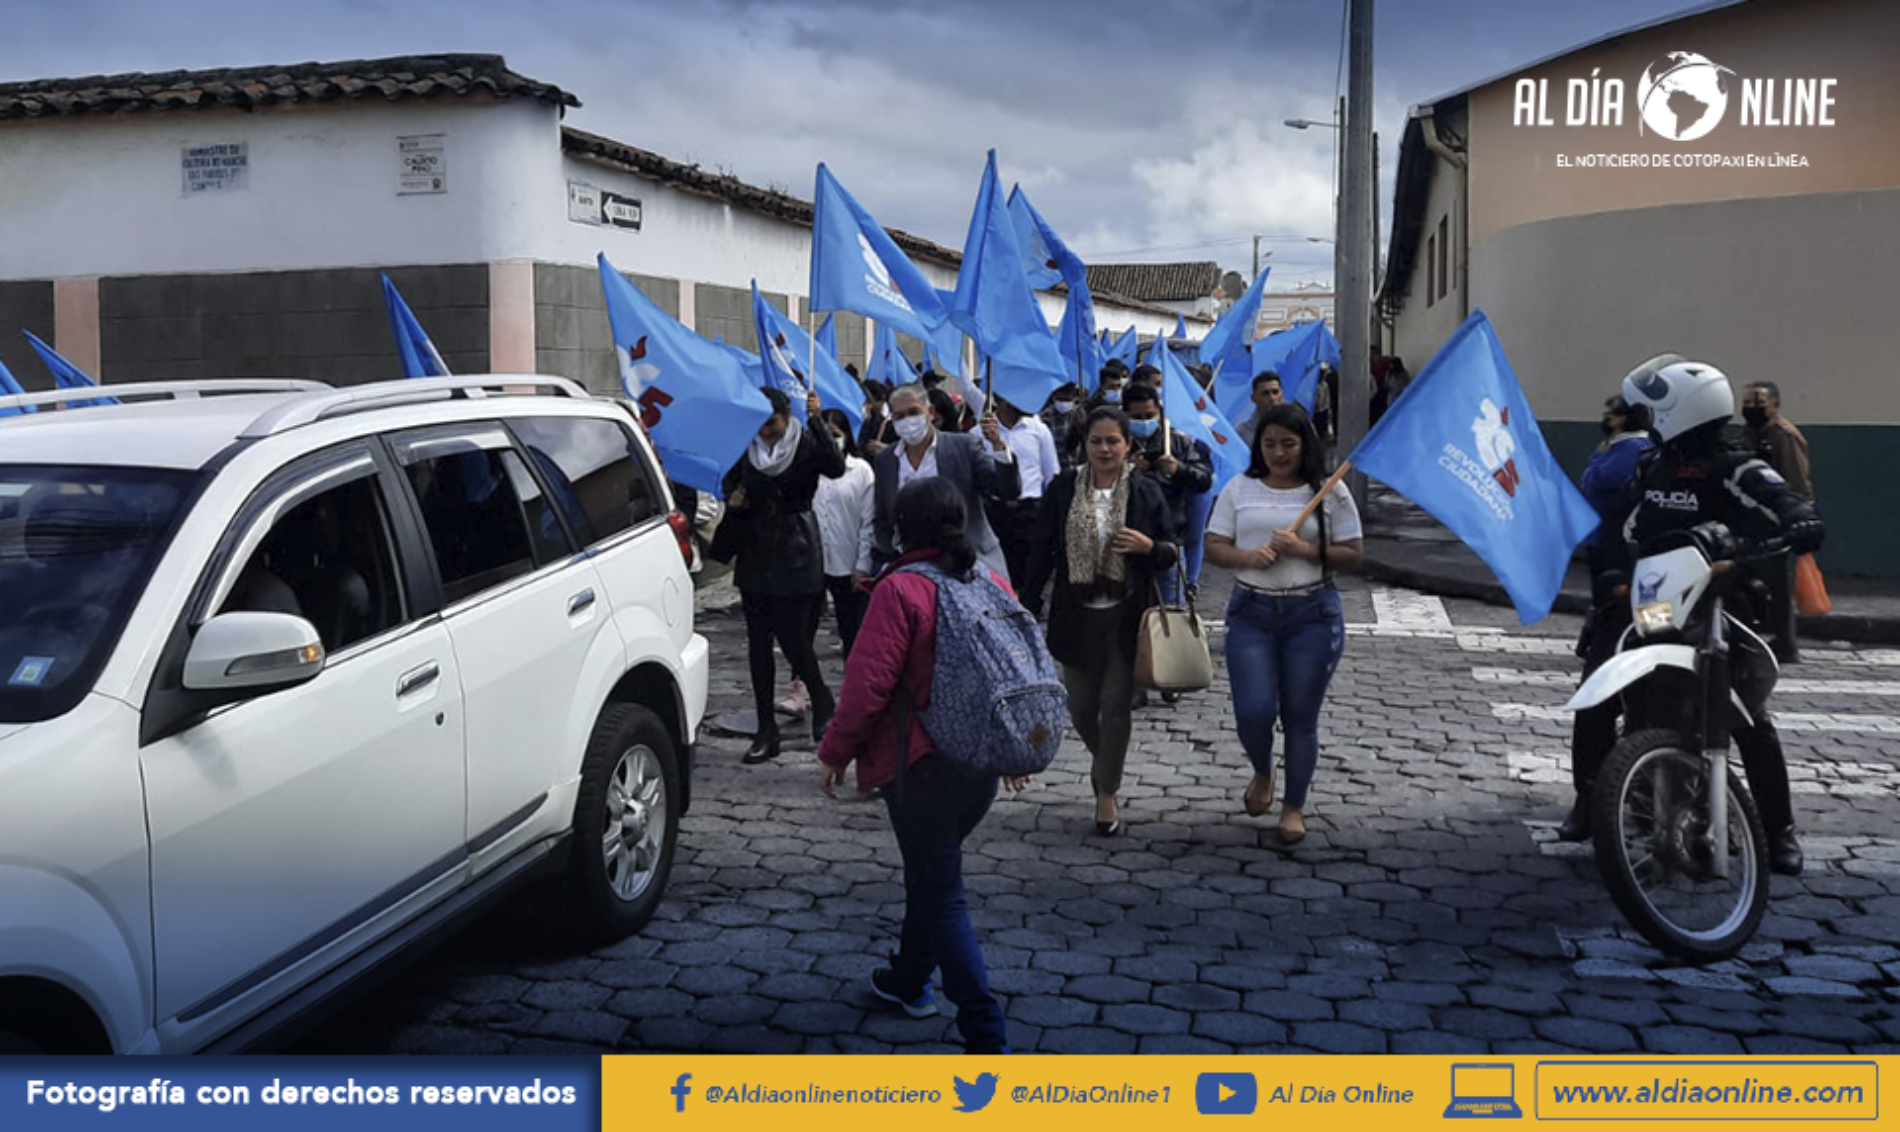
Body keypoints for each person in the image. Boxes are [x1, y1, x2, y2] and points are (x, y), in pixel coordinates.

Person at [818, 477, 1027, 1055]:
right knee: (930, 875)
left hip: (921, 766)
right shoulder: (988, 578)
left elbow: (866, 688)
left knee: (941, 891)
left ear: (902, 528)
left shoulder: (900, 590)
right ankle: (909, 980)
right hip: (978, 768)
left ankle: (984, 1031)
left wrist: (835, 752)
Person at [1607, 358, 1824, 875]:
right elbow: (1624, 523)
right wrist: (1610, 570)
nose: (1645, 415)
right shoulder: (1651, 464)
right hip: (1659, 600)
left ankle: (1778, 830)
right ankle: (1608, 800)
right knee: (1629, 692)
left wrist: (1800, 521)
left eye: (1655, 407)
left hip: (1723, 599)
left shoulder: (1735, 466)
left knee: (1747, 716)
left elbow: (1782, 498)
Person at [1205, 402, 1362, 845]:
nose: (1278, 453)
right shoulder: (1240, 487)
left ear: (1304, 445)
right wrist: (1246, 557)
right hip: (1251, 612)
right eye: (1270, 443)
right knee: (1252, 711)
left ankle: (1294, 805)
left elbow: (1353, 554)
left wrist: (1304, 551)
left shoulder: (1329, 490)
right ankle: (1262, 768)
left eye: (1288, 444)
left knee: (1300, 716)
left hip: (1313, 614)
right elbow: (1215, 544)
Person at [1026, 407, 1178, 836]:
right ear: (1085, 444)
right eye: (1097, 441)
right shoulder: (1062, 490)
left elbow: (1173, 549)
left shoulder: (1146, 492)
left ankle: (1105, 793)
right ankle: (1105, 762)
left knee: (1115, 706)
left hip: (1125, 616)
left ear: (1128, 445)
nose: (1105, 448)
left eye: (1113, 440)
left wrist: (1151, 547)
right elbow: (1041, 549)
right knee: (1080, 708)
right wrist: (1027, 601)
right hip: (1075, 615)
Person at [711, 387, 846, 764]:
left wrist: (817, 420)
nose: (766, 431)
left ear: (786, 417)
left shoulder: (805, 443)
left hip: (795, 547)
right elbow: (730, 481)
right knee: (758, 643)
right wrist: (734, 498)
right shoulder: (746, 446)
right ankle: (765, 729)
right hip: (755, 548)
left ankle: (821, 700)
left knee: (794, 638)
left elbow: (835, 466)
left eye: (772, 423)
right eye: (760, 423)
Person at [1560, 385, 1661, 842]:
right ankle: (1589, 798)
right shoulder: (1648, 457)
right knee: (1597, 695)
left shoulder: (1642, 454)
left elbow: (1597, 482)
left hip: (1667, 596)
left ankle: (1774, 827)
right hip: (1623, 588)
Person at [861, 383, 1020, 584]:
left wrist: (998, 445)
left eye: (913, 412)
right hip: (915, 571)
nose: (907, 421)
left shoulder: (964, 446)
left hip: (969, 564)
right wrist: (892, 554)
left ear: (930, 412)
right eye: (899, 416)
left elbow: (1006, 490)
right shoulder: (886, 460)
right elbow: (883, 517)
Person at [1121, 382, 1212, 604]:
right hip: (1126, 540)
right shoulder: (1117, 444)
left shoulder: (1178, 442)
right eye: (1137, 417)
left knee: (1172, 611)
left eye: (1149, 415)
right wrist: (1128, 469)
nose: (1144, 422)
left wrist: (1177, 469)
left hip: (1168, 540)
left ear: (1160, 412)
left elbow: (1203, 481)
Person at [812, 408, 876, 656]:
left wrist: (862, 564)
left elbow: (868, 520)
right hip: (813, 562)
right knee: (802, 630)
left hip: (847, 562)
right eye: (825, 434)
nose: (831, 440)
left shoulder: (861, 471)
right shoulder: (810, 469)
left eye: (835, 434)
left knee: (852, 629)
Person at [986, 395, 1062, 602]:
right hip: (995, 513)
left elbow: (1051, 474)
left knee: (1031, 575)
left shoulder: (1038, 430)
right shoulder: (978, 433)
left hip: (1031, 511)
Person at [1741, 381, 1814, 502]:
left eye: (1760, 403)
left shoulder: (1784, 435)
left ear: (1775, 405)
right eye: (1747, 403)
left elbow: (1796, 480)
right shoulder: (1749, 432)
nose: (1752, 408)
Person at [1234, 371, 1285, 453]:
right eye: (1265, 393)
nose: (1272, 398)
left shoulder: (1296, 427)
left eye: (1275, 392)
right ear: (1254, 398)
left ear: (1282, 395)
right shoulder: (1242, 434)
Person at [1040, 383, 1087, 470]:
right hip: (1053, 469)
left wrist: (1080, 427)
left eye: (1067, 400)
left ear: (1074, 398)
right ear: (1054, 397)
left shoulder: (1079, 414)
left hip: (1074, 468)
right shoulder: (1045, 417)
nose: (1064, 403)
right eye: (1060, 399)